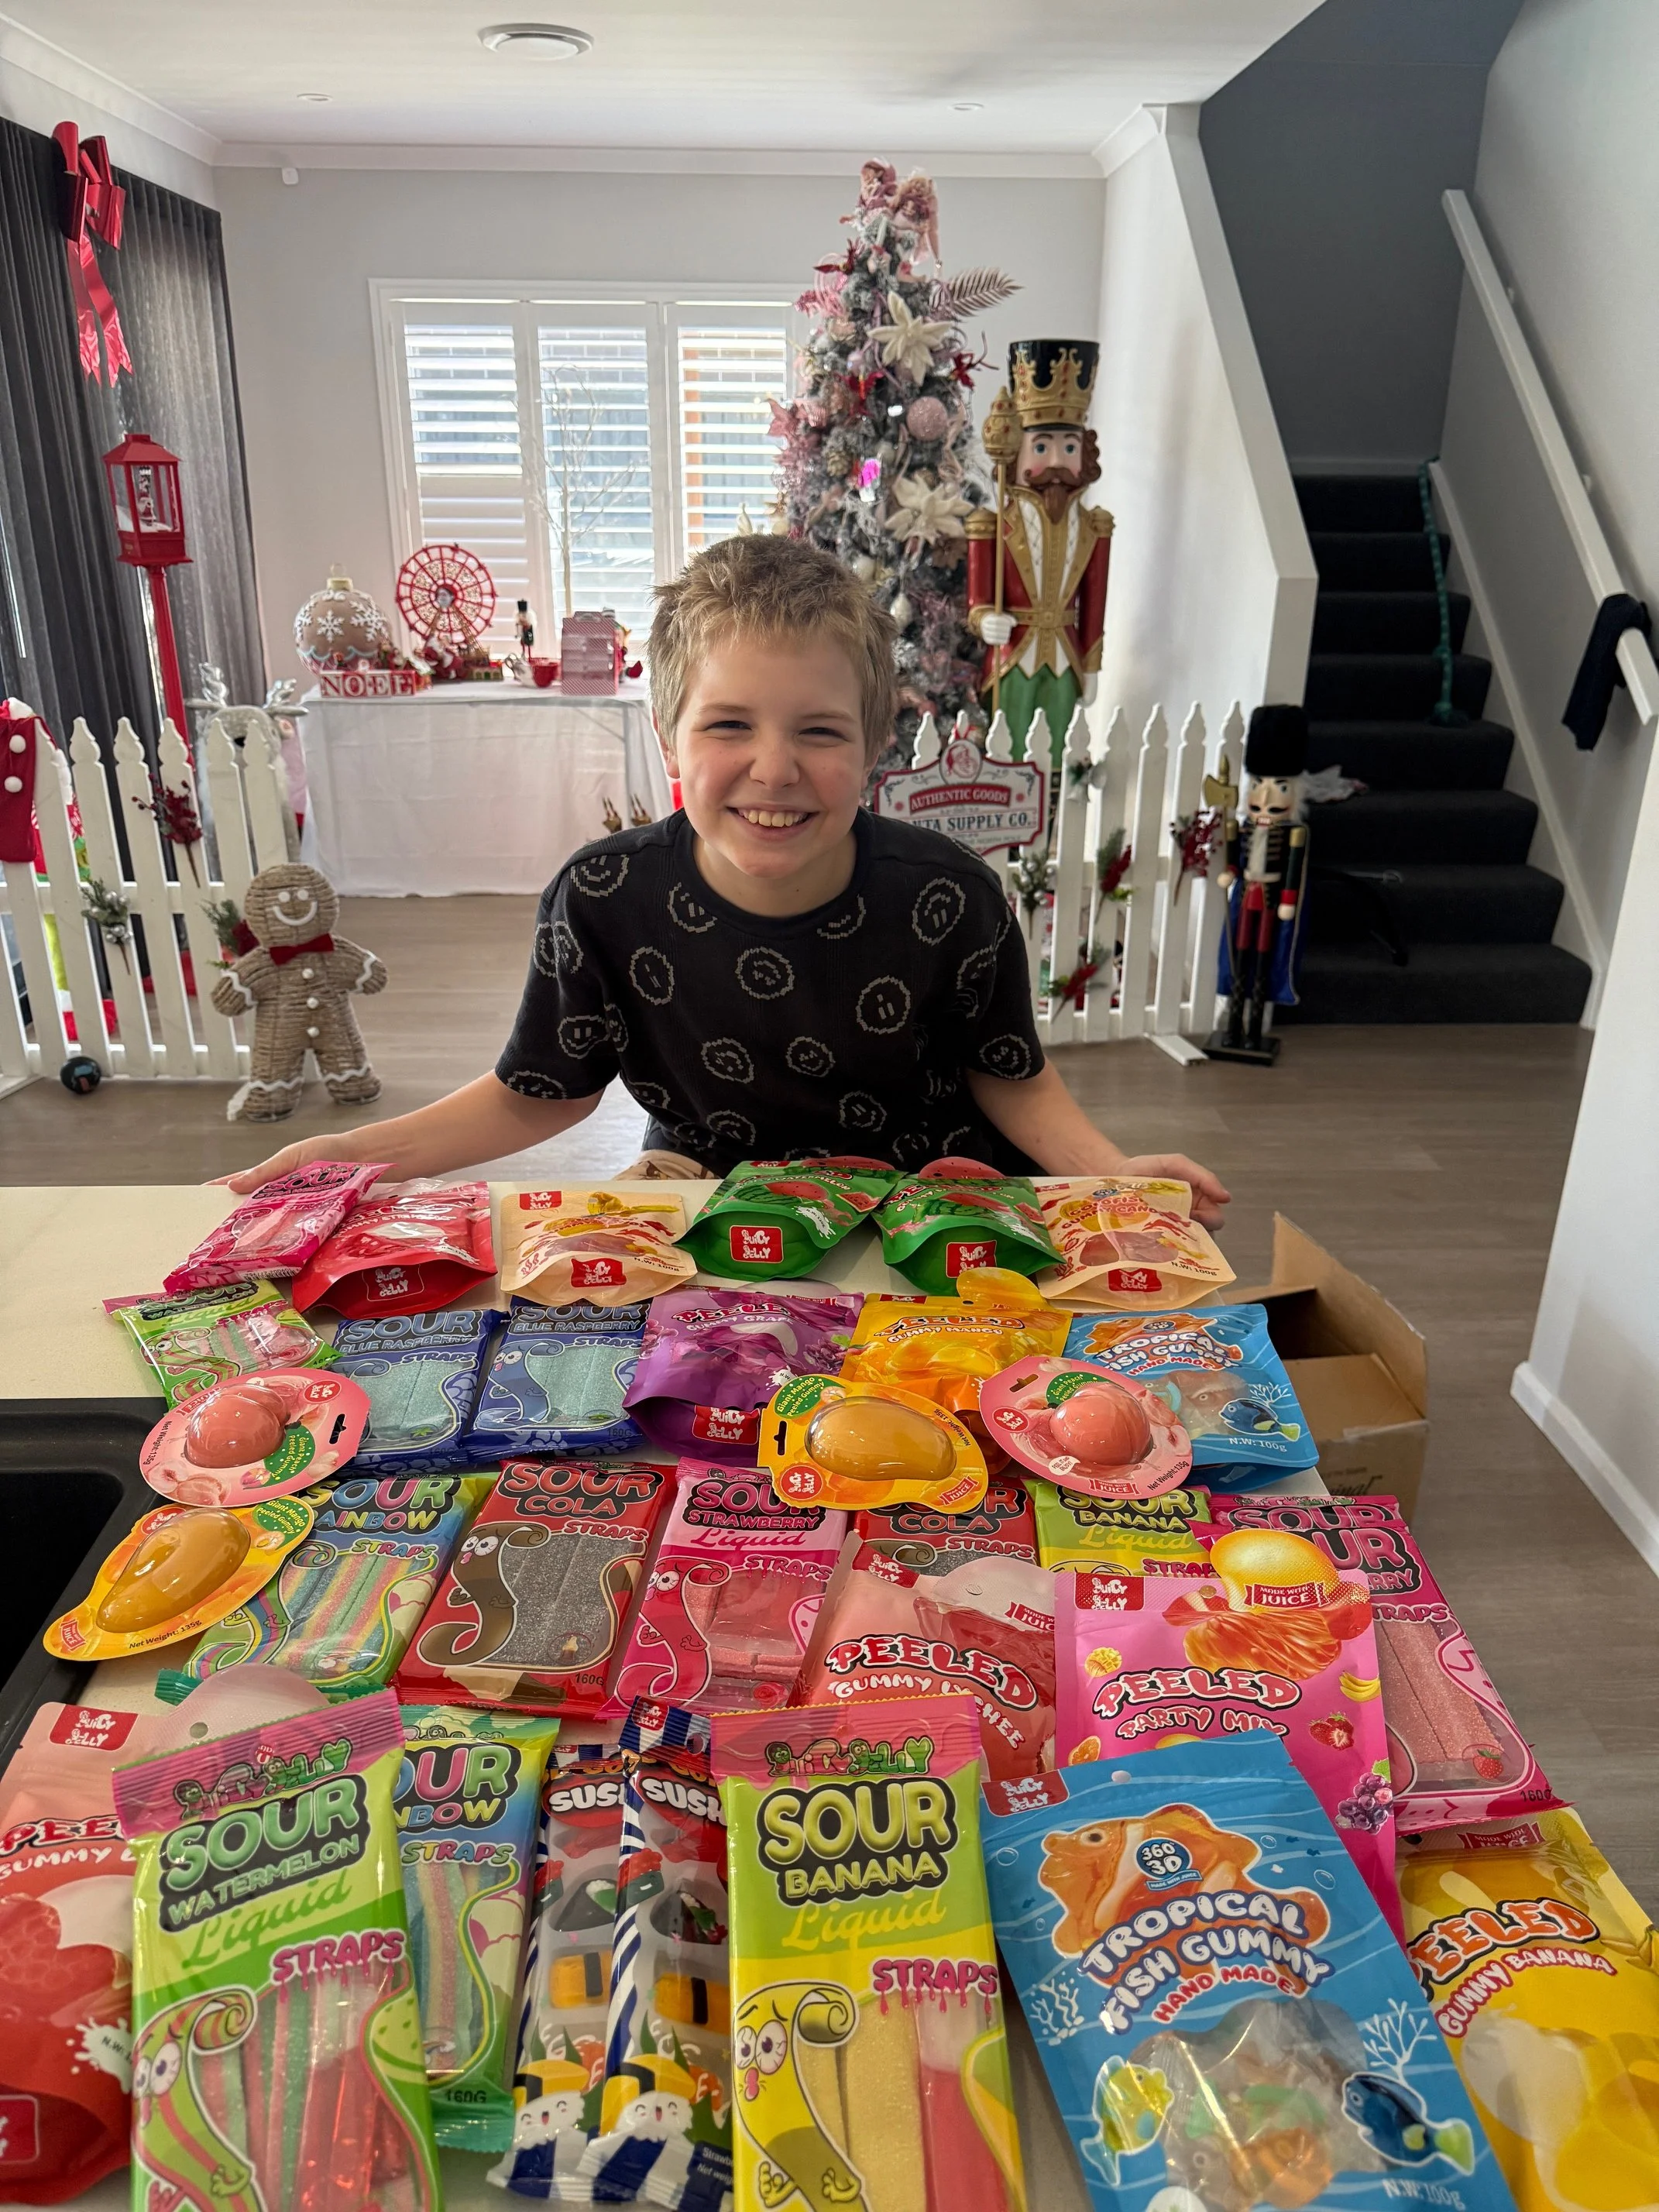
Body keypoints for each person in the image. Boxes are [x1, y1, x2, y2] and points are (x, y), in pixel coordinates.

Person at [221, 536, 1228, 1226]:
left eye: (821, 731)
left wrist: (1111, 1173)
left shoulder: (951, 895)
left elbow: (1010, 1075)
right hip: (717, 1210)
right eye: (728, 724)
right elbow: (539, 1094)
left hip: (933, 1207)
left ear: (879, 742)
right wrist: (353, 1159)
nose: (775, 768)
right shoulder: (602, 899)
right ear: (667, 732)